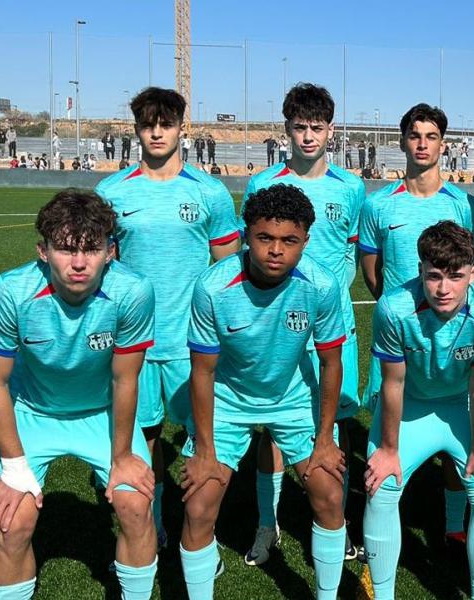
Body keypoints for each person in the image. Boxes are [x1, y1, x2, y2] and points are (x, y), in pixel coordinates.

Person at [0, 189, 158, 600]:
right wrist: (14, 465)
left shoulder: (134, 292)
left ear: (111, 252)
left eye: (91, 249)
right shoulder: (10, 291)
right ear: (43, 251)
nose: (78, 263)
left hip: (102, 414)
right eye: (65, 249)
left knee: (135, 506)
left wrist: (124, 456)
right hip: (33, 412)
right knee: (12, 521)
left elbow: (125, 380)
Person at [180, 183, 349, 599]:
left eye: (289, 240)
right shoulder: (213, 288)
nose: (276, 250)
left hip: (292, 399)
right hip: (228, 400)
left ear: (305, 241)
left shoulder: (322, 286)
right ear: (246, 236)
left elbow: (330, 363)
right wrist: (204, 451)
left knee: (328, 492)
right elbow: (202, 372)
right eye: (265, 238)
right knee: (198, 504)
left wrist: (325, 440)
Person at [95, 87, 241, 550]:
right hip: (135, 344)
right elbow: (101, 267)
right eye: (147, 124)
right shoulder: (112, 192)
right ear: (136, 128)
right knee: (146, 438)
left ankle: (202, 533)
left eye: (166, 123)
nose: (156, 132)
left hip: (194, 342)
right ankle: (154, 523)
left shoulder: (210, 193)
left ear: (182, 128)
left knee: (205, 438)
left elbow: (225, 268)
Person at [243, 82, 365, 566]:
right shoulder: (263, 184)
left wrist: (330, 293)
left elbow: (354, 253)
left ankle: (338, 521)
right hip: (277, 328)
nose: (308, 136)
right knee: (271, 427)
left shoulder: (351, 187)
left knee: (339, 424)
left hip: (331, 329)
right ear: (287, 129)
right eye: (300, 127)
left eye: (317, 127)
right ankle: (266, 525)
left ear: (330, 130)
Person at [363, 221, 474, 600]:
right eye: (434, 276)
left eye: (456, 276)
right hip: (411, 404)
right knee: (381, 487)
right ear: (420, 271)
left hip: (463, 405)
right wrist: (389, 450)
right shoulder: (394, 308)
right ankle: (383, 595)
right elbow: (392, 383)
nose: (443, 289)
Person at [358, 104, 474, 544]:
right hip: (400, 337)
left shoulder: (461, 204)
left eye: (431, 136)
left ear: (443, 144)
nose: (422, 144)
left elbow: (468, 267)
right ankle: (385, 517)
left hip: (453, 335)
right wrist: (399, 310)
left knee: (452, 426)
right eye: (414, 135)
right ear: (402, 140)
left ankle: (451, 525)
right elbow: (371, 270)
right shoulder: (378, 204)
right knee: (387, 424)